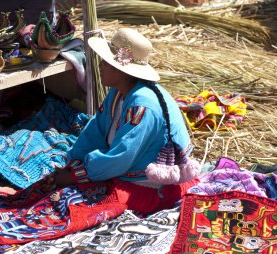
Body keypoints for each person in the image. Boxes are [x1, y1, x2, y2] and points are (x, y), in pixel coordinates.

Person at [43, 27, 199, 215]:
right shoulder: (118, 91)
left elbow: (123, 156)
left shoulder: (143, 105)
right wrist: (73, 160)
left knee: (77, 202)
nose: (100, 66)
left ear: (121, 69)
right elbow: (96, 129)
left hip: (150, 183)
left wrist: (75, 176)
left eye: (105, 63)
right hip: (126, 163)